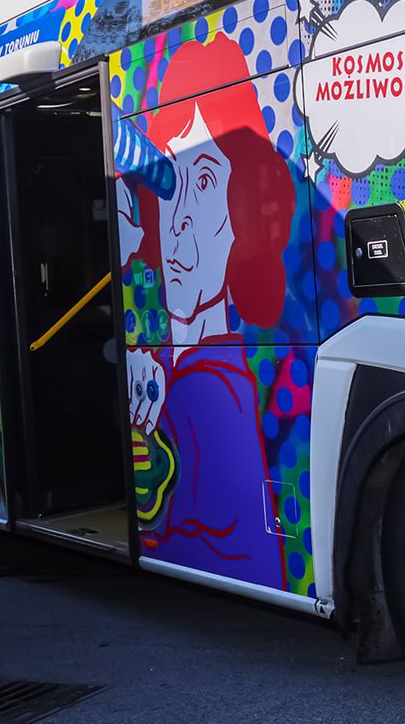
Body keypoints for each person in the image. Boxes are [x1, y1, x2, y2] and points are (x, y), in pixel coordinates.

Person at [123, 35, 295, 589]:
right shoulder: (180, 370)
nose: (178, 223)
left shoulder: (210, 389)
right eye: (169, 184)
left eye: (204, 182)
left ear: (242, 210)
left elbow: (157, 519)